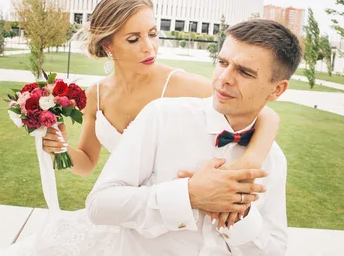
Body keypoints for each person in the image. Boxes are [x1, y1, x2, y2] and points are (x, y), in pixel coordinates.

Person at [0, 0, 281, 255]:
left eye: (153, 34)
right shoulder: (95, 95)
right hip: (123, 210)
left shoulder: (180, 85)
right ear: (108, 45)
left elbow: (265, 113)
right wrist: (61, 148)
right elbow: (86, 165)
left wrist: (251, 160)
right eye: (134, 39)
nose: (149, 47)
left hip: (165, 227)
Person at [86, 19, 302, 255]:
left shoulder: (273, 159)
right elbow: (99, 205)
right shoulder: (162, 116)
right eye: (222, 62)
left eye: (244, 72)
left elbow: (275, 250)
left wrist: (240, 213)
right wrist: (189, 195)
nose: (224, 78)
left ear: (277, 89)